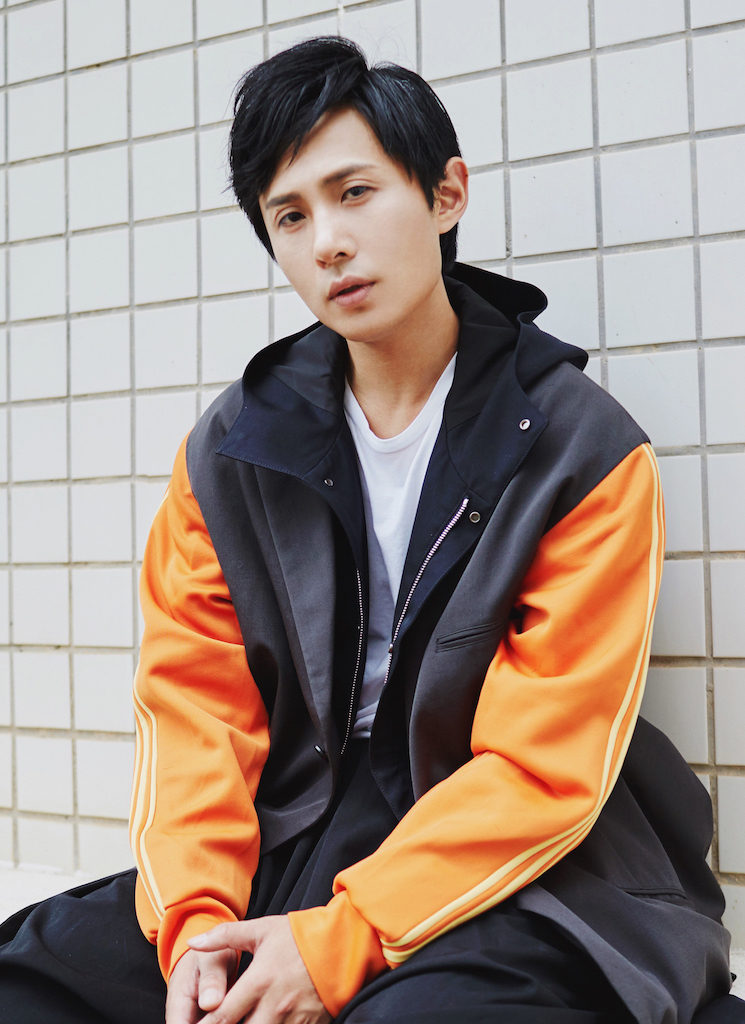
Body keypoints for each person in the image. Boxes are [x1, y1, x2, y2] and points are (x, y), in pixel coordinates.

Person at [0, 36, 740, 1024]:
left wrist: (338, 942)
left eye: (354, 193)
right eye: (290, 216)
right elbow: (196, 713)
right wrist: (196, 927)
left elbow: (542, 767)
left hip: (524, 865)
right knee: (31, 984)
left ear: (445, 195)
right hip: (295, 834)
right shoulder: (230, 451)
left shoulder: (581, 448)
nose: (328, 243)